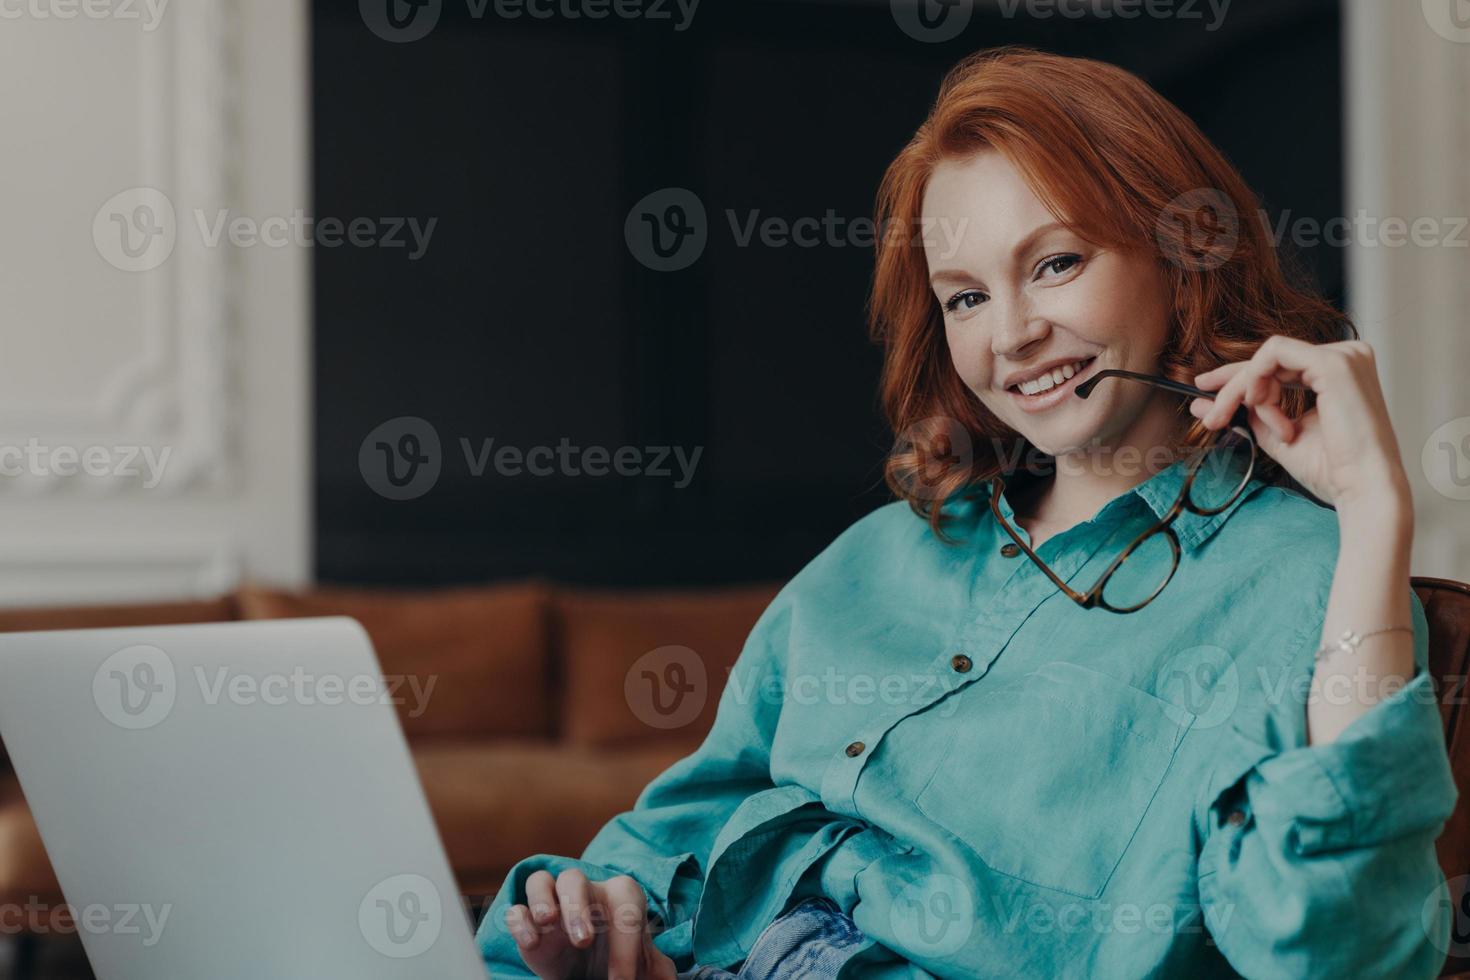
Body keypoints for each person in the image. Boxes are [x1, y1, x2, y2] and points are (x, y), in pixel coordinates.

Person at [475, 46, 1458, 979]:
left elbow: (1340, 951)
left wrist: (1372, 512)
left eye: (1056, 262)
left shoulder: (1299, 582)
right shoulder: (874, 558)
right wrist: (596, 923)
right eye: (965, 297)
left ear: (1180, 257)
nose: (1015, 335)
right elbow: (675, 832)